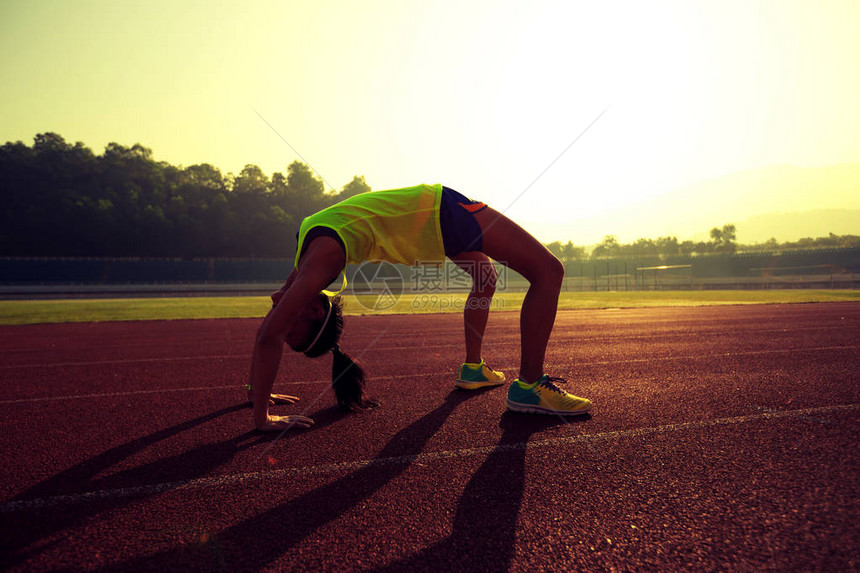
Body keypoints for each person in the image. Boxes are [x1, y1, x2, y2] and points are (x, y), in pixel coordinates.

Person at [246, 184, 592, 432]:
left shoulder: (317, 262)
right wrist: (260, 397)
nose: (281, 315)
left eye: (291, 330)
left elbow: (269, 334)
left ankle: (474, 369)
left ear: (316, 311)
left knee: (502, 276)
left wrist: (259, 408)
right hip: (436, 215)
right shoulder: (312, 259)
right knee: (547, 271)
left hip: (436, 216)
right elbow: (270, 331)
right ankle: (529, 387)